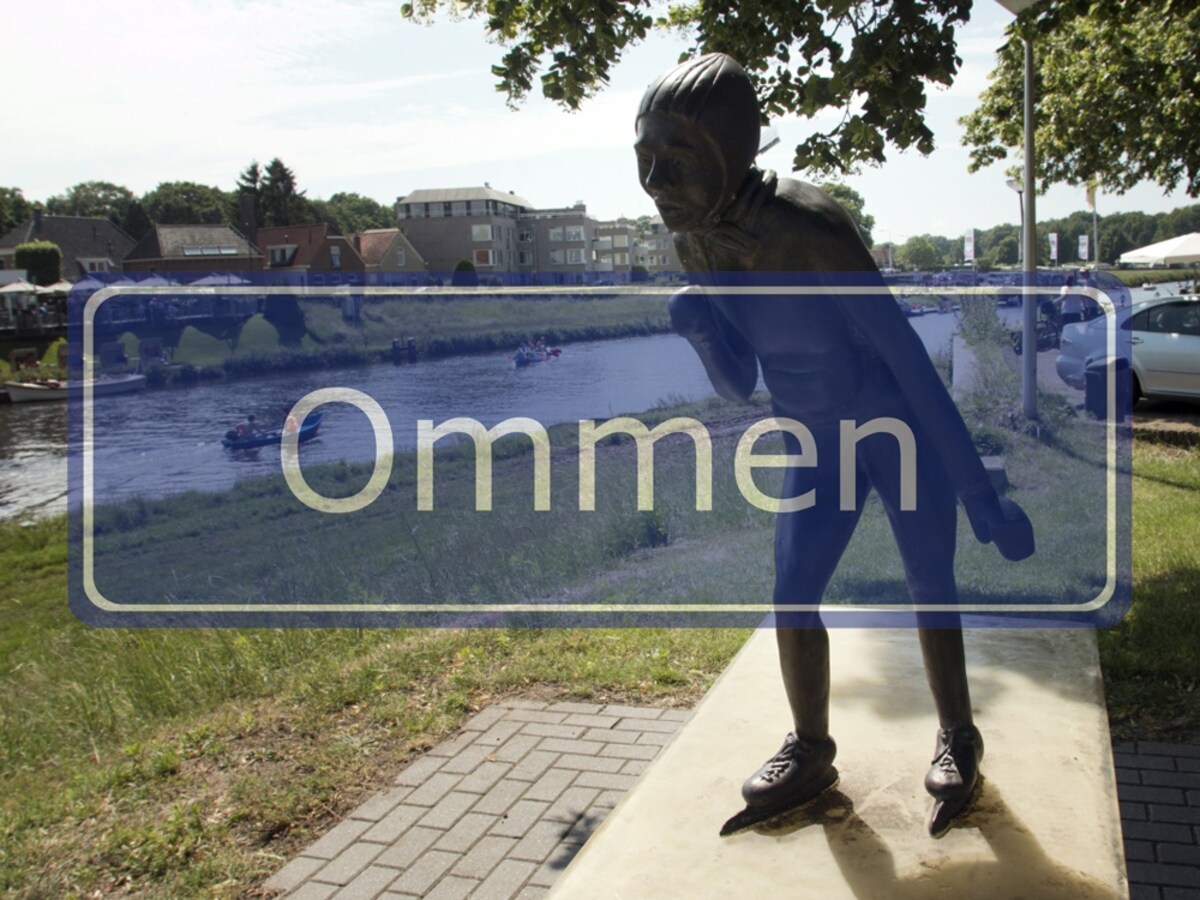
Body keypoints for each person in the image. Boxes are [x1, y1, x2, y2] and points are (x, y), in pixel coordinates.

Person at [634, 53, 1034, 838]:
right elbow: (739, 382)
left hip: (895, 428)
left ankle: (958, 735)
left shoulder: (808, 227)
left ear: (727, 153)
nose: (654, 182)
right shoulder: (696, 243)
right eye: (643, 159)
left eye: (674, 162)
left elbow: (910, 361)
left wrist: (980, 496)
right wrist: (701, 333)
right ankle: (811, 749)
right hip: (817, 440)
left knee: (929, 580)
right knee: (792, 592)